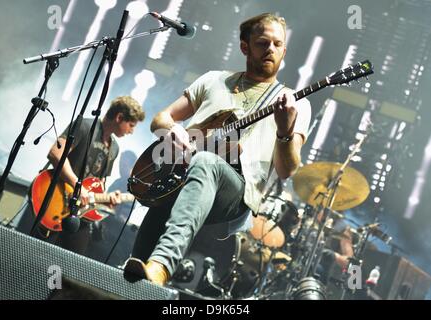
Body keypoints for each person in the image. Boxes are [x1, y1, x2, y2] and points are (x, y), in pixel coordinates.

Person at [124, 13, 311, 286]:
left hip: (236, 190)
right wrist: (173, 130)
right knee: (133, 275)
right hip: (184, 173)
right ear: (245, 47)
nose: (270, 49)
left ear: (284, 50)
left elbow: (287, 170)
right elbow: (161, 119)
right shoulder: (214, 80)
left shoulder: (295, 104)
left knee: (207, 162)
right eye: (262, 43)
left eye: (277, 44)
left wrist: (284, 131)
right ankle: (143, 273)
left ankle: (164, 262)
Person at [16, 96, 145, 257]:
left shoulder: (114, 148)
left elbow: (99, 184)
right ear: (119, 117)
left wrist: (105, 201)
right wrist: (79, 187)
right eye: (131, 125)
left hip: (79, 215)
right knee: (28, 254)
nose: (131, 131)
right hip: (54, 200)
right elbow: (56, 153)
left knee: (72, 265)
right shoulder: (84, 126)